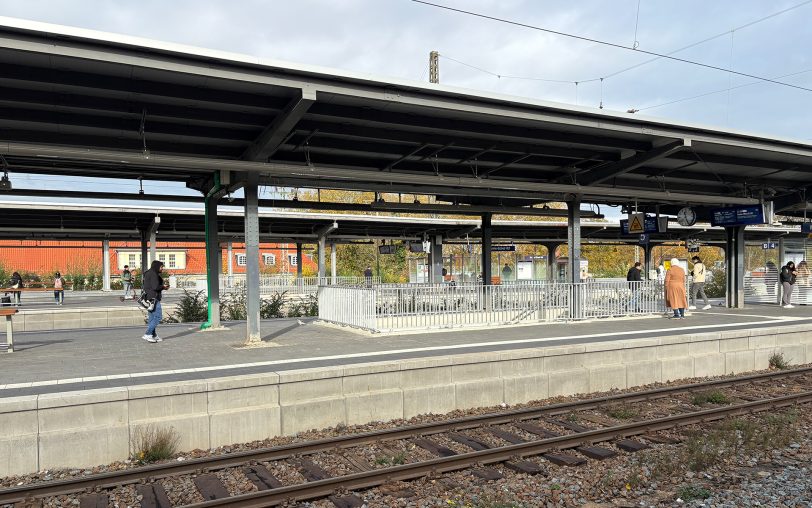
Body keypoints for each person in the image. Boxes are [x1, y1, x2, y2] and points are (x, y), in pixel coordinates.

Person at [142, 260, 168, 343]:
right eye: (161, 267)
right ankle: (148, 334)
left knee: (152, 317)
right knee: (158, 316)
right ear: (156, 266)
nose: (162, 268)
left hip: (149, 298)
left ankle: (153, 335)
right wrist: (163, 287)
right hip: (154, 298)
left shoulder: (148, 273)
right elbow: (155, 286)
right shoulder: (153, 274)